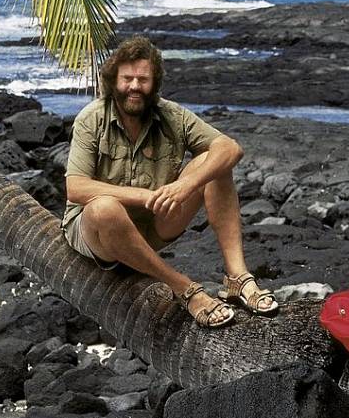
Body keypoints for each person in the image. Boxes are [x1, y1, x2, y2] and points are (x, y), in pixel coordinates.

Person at [61, 35, 279, 328]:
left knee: (214, 163)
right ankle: (183, 287)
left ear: (155, 83)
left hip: (154, 223)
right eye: (127, 79)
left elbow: (230, 148)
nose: (135, 86)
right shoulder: (92, 118)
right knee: (105, 208)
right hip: (98, 232)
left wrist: (184, 186)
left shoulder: (172, 115)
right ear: (114, 80)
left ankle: (237, 278)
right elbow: (76, 188)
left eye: (143, 79)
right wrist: (142, 196)